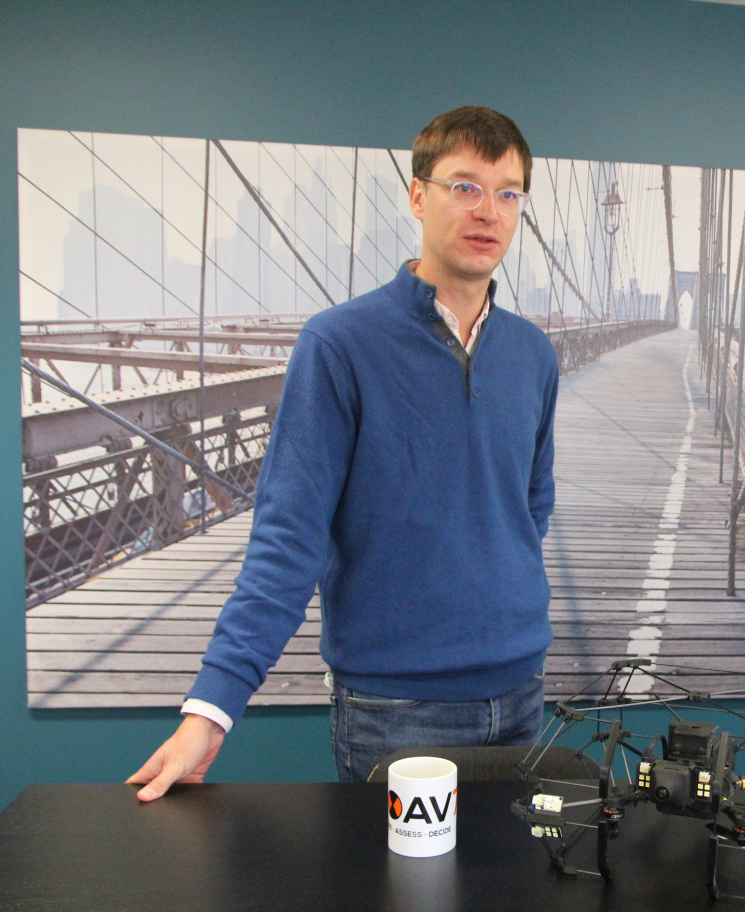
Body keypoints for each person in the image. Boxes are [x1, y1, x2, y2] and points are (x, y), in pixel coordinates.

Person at [128, 106, 558, 799]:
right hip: (396, 709)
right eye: (465, 187)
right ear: (418, 194)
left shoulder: (534, 355)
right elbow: (288, 534)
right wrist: (210, 711)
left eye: (508, 193)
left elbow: (529, 506)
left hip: (522, 692)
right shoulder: (338, 345)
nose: (490, 211)